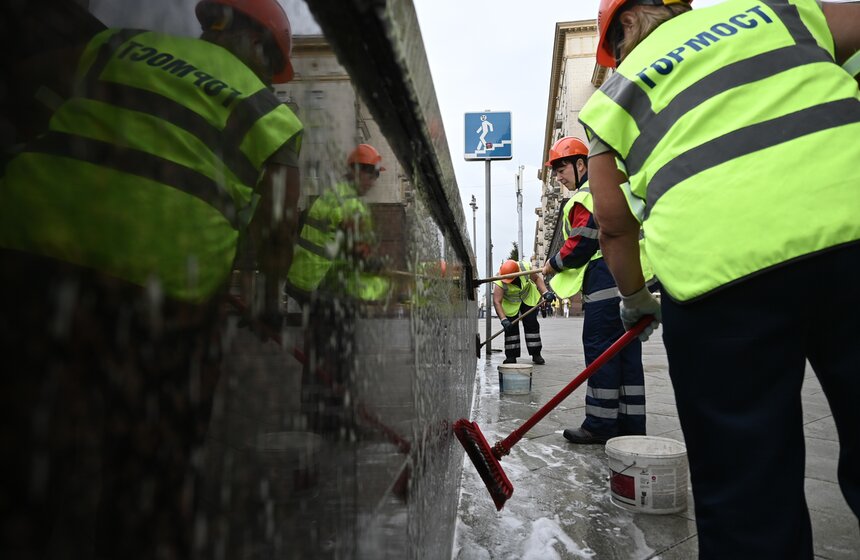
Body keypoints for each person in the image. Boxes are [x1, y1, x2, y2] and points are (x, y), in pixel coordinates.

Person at [0, 0, 304, 557]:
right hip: (165, 292)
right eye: (272, 62)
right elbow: (278, 230)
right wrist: (266, 299)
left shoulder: (118, 45)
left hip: (29, 258)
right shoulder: (269, 112)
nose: (268, 76)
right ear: (259, 46)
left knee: (28, 449)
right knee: (152, 470)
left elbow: (25, 85)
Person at [580, 0, 860, 557]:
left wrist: (635, 298)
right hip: (850, 232)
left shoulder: (613, 97)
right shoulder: (775, 12)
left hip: (721, 286)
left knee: (746, 497)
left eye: (615, 48)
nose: (618, 60)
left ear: (628, 23)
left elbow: (613, 225)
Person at [542, 136, 650, 444]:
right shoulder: (611, 187)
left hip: (604, 281)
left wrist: (555, 263)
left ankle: (600, 425)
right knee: (626, 353)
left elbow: (582, 241)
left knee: (601, 351)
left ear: (580, 164)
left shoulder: (587, 196)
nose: (559, 177)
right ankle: (630, 425)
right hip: (627, 278)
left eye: (561, 169)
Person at [285, 143, 388, 436]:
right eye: (373, 175)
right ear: (358, 173)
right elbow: (360, 252)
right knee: (340, 354)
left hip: (307, 284)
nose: (374, 182)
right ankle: (338, 420)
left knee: (318, 353)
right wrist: (377, 264)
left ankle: (315, 416)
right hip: (322, 289)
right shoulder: (351, 205)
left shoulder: (332, 196)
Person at [492, 259, 554, 365]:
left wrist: (545, 293)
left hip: (528, 297)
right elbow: (497, 301)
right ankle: (511, 356)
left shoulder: (525, 268)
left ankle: (536, 354)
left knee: (532, 324)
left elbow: (537, 279)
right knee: (510, 328)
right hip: (511, 304)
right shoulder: (499, 281)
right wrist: (503, 319)